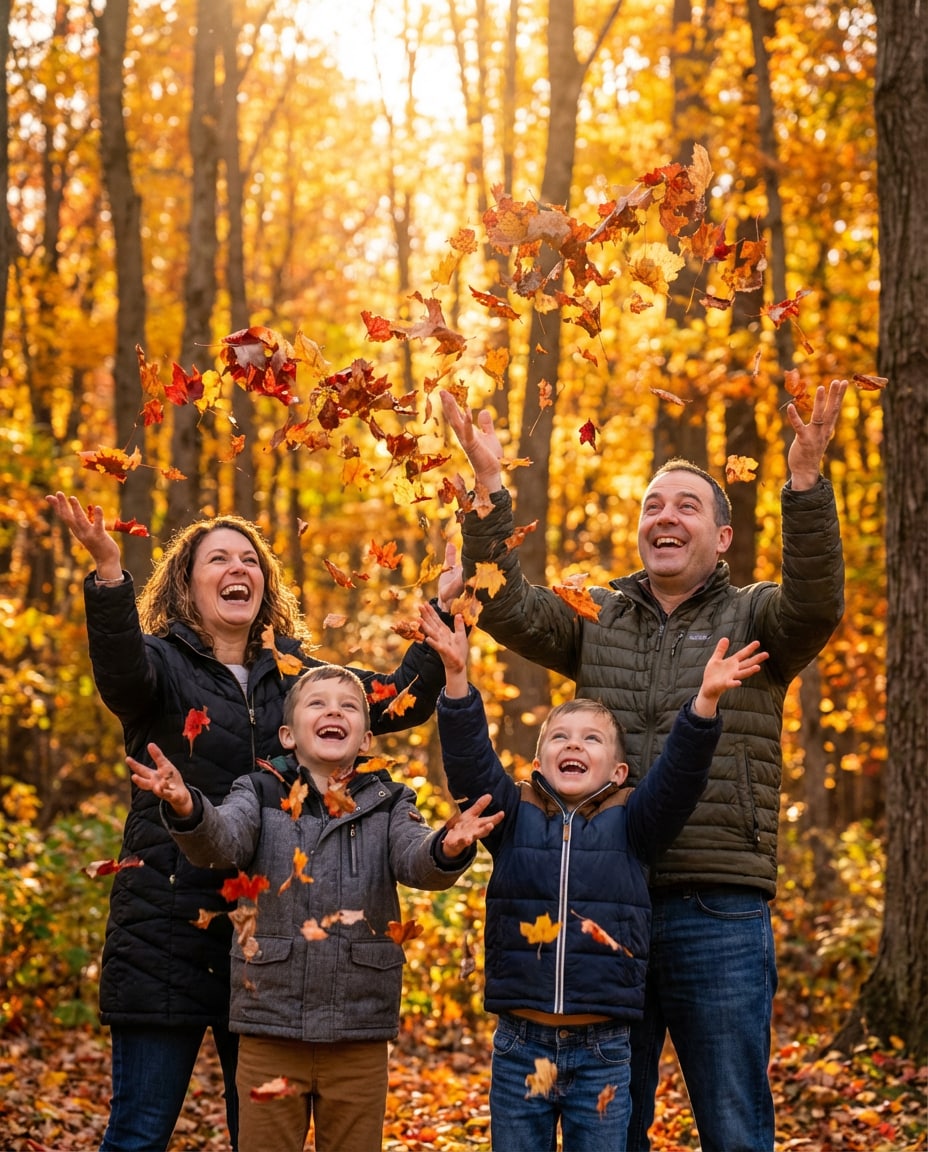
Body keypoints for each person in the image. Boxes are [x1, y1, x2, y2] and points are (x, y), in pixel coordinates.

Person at [438, 378, 847, 1152]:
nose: (666, 516)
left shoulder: (754, 616)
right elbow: (505, 604)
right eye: (653, 505)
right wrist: (490, 487)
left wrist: (804, 482)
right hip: (607, 905)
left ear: (722, 538)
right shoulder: (597, 614)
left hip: (717, 908)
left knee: (733, 1123)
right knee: (615, 1128)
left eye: (688, 505)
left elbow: (817, 603)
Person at [45, 493, 464, 1152]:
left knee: (260, 1136)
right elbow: (120, 673)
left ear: (264, 583)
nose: (237, 567)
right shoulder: (160, 663)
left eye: (249, 559)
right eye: (218, 559)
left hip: (270, 944)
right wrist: (107, 574)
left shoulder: (297, 677)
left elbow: (396, 700)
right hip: (167, 926)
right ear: (186, 583)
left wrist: (441, 609)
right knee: (139, 1131)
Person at [418, 602, 768, 1152]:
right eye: (559, 737)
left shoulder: (633, 824)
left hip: (602, 1050)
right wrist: (457, 677)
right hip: (520, 1045)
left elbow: (678, 779)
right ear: (538, 763)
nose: (574, 745)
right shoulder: (514, 817)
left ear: (619, 771)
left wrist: (703, 704)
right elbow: (470, 763)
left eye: (591, 739)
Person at [128, 663, 503, 1152]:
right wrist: (187, 807)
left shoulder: (389, 800)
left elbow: (415, 858)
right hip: (270, 1025)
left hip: (358, 1031)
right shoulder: (258, 792)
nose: (334, 712)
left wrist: (446, 847)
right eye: (318, 704)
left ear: (366, 739)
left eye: (348, 707)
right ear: (288, 735)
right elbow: (222, 842)